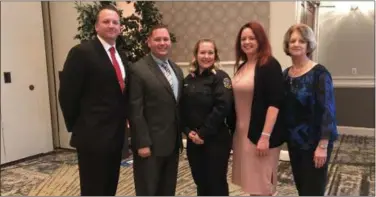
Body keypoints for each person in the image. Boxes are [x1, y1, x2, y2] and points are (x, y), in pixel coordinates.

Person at [58, 5, 129, 196]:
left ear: (120, 27)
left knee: (109, 186)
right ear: (96, 26)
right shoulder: (81, 53)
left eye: (115, 22)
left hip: (116, 137)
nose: (111, 25)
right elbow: (67, 95)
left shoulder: (121, 55)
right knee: (93, 189)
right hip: (92, 138)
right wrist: (80, 127)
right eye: (106, 21)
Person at [227, 21, 285, 196]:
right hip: (242, 135)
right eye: (243, 38)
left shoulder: (269, 65)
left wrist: (265, 137)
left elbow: (275, 104)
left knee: (262, 186)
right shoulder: (243, 66)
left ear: (260, 39)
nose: (246, 42)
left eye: (251, 38)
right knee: (251, 184)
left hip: (260, 135)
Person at [127, 24, 184, 196]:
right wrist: (142, 142)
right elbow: (135, 109)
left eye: (165, 39)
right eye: (157, 39)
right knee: (148, 190)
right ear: (149, 42)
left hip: (172, 144)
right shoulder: (138, 69)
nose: (162, 43)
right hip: (150, 145)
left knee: (167, 190)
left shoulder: (176, 69)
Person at [281, 23, 338, 196]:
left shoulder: (319, 73)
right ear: (287, 45)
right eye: (292, 41)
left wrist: (322, 145)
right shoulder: (285, 75)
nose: (296, 44)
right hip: (294, 141)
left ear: (308, 45)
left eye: (302, 41)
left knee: (313, 189)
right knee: (302, 186)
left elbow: (328, 111)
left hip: (315, 142)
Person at [181, 39, 233, 196]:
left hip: (216, 140)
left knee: (216, 183)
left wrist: (202, 133)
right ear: (196, 55)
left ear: (215, 55)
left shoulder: (221, 78)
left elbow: (222, 108)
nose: (206, 56)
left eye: (210, 52)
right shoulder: (188, 80)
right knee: (200, 182)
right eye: (202, 52)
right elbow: (181, 109)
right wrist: (188, 131)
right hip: (193, 140)